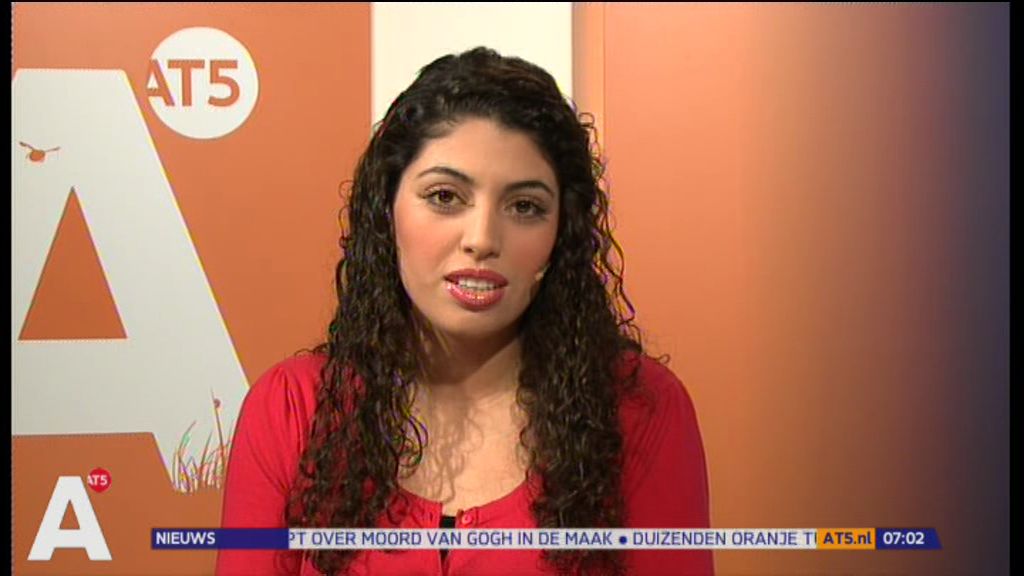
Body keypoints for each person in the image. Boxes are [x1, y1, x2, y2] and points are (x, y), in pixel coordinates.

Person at [216, 46, 712, 576]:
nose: (482, 239)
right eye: (445, 197)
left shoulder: (639, 410)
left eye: (524, 207)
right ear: (387, 210)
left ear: (560, 235)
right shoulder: (294, 408)